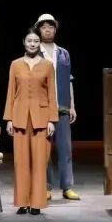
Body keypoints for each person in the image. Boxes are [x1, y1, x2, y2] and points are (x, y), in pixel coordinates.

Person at [4, 29, 57, 215]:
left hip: (41, 118)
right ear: (24, 43)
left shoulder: (48, 65)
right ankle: (22, 202)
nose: (32, 44)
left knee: (40, 162)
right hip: (19, 117)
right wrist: (9, 119)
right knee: (21, 162)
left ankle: (36, 203)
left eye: (35, 41)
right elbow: (11, 92)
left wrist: (52, 120)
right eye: (29, 41)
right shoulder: (15, 64)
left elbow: (52, 94)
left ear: (39, 43)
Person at [35, 13, 79, 201]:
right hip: (42, 107)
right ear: (39, 30)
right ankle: (46, 186)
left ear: (55, 29)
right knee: (44, 149)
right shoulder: (34, 52)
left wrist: (72, 105)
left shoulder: (63, 53)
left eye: (50, 27)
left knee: (65, 148)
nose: (47, 30)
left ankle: (67, 186)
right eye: (44, 27)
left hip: (62, 106)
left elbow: (69, 80)